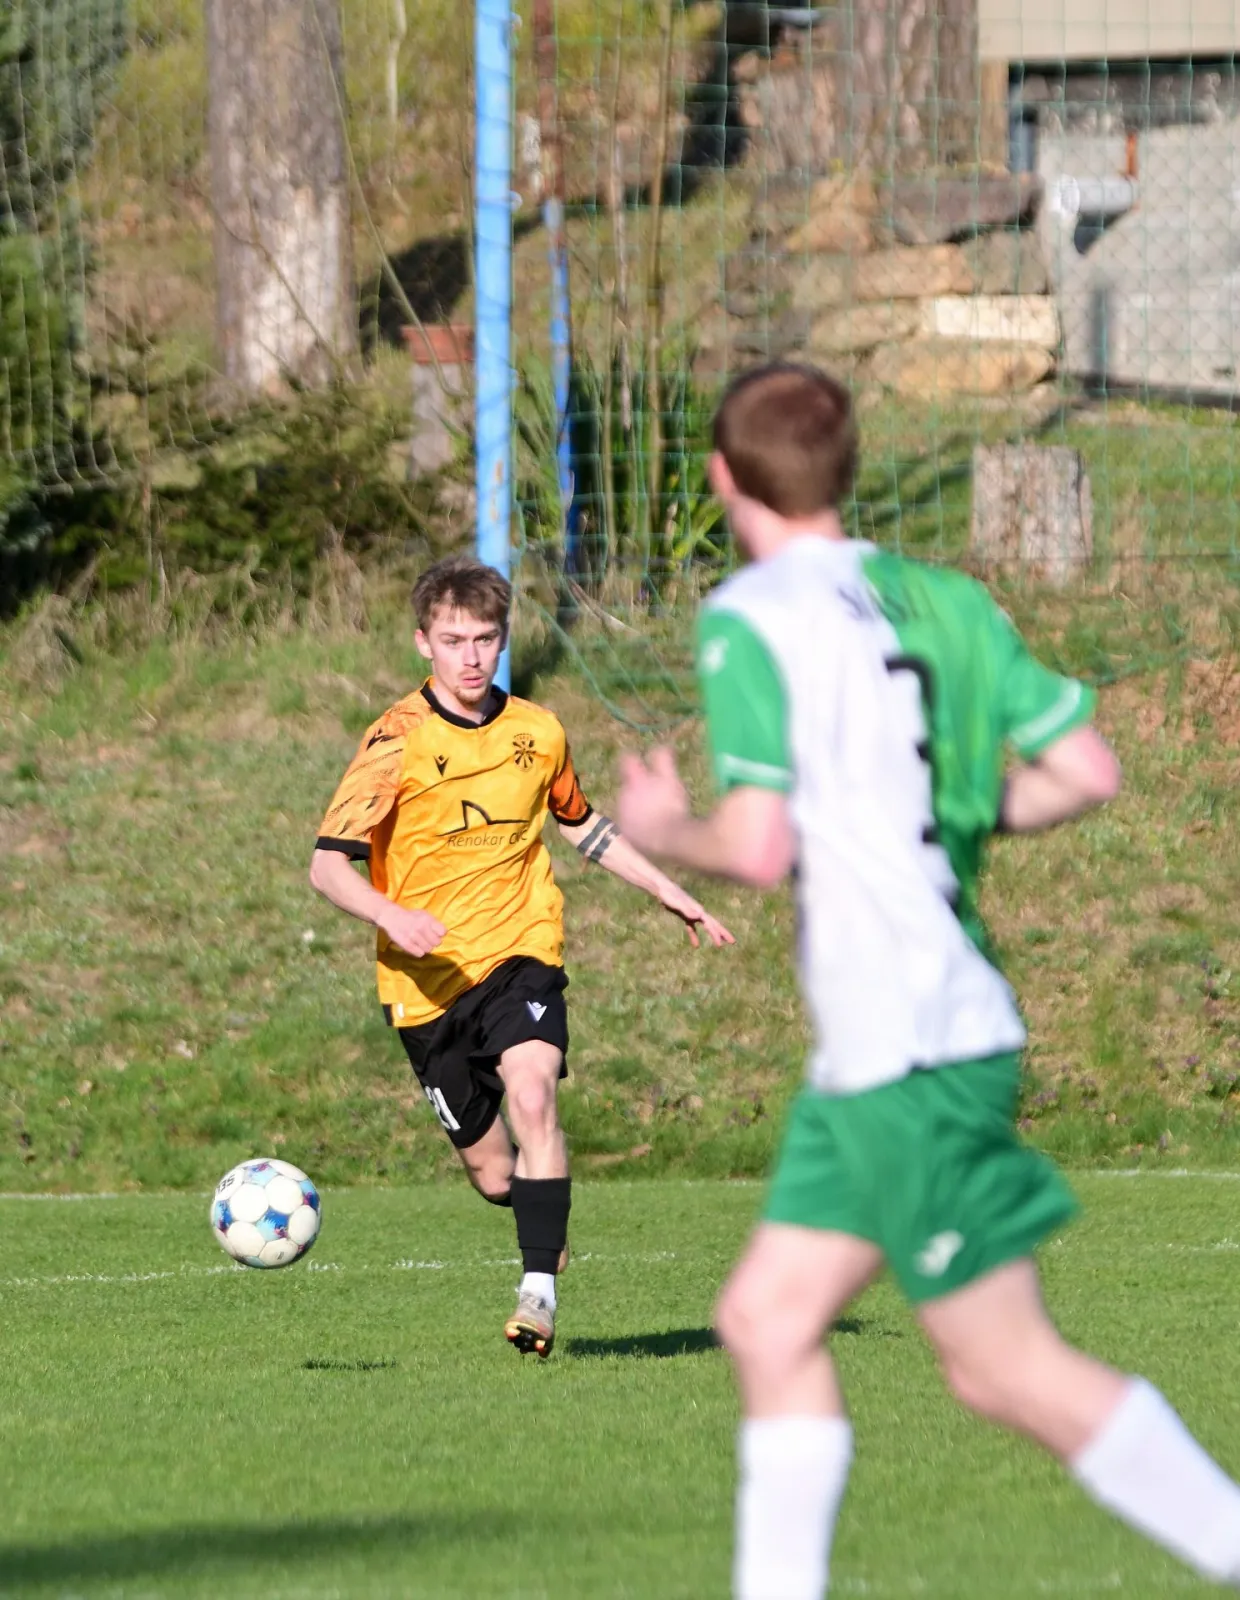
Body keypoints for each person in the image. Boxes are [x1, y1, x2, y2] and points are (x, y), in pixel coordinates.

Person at [617, 361, 1240, 1596]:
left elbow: (757, 844)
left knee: (1005, 1368)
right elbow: (1087, 770)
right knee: (766, 1321)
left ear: (723, 477)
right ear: (846, 470)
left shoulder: (751, 614)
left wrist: (660, 826)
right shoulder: (947, 598)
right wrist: (949, 813)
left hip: (910, 1040)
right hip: (897, 1041)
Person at [310, 553, 733, 1358]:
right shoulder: (395, 743)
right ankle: (543, 1218)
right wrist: (390, 914)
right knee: (496, 1176)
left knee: (535, 1096)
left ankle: (537, 1295)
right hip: (426, 984)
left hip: (519, 951)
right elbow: (327, 866)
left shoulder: (538, 732)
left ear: (504, 638)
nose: (471, 657)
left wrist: (667, 889)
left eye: (485, 639)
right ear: (422, 643)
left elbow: (579, 821)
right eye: (453, 640)